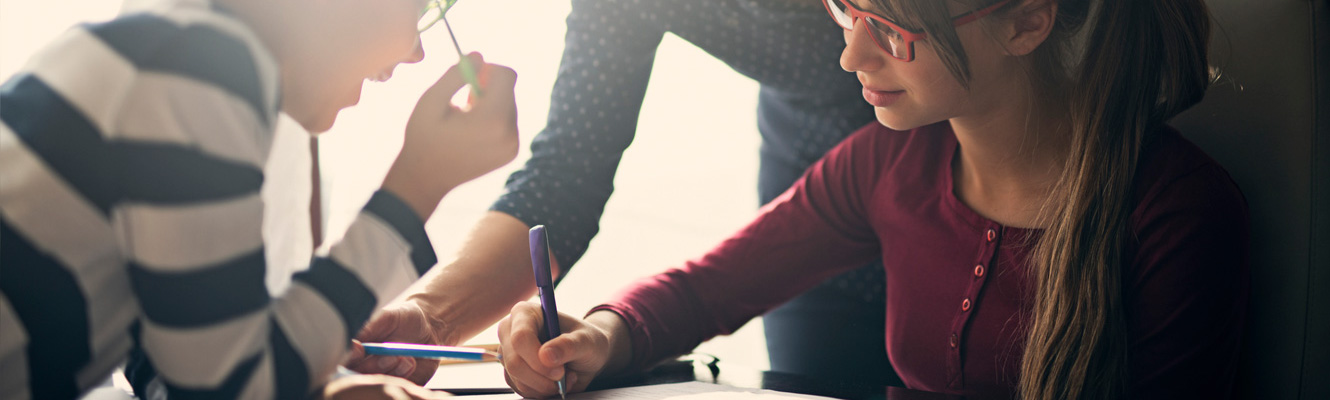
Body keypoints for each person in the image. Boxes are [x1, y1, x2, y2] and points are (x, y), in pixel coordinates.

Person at [496, 0, 1250, 399]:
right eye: (847, 10)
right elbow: (705, 290)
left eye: (890, 27)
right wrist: (596, 337)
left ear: (1028, 19)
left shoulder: (1177, 217)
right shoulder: (890, 163)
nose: (851, 54)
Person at [345, 0, 896, 386]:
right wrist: (431, 318)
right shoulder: (841, 184)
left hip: (966, 161)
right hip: (819, 191)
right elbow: (567, 178)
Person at [0, 0, 519, 397]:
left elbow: (176, 364)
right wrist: (413, 192)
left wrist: (314, 381)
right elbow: (224, 389)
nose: (415, 51)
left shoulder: (171, 55)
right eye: (418, 5)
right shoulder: (194, 74)